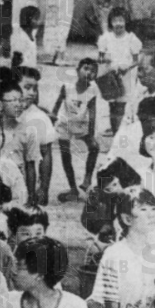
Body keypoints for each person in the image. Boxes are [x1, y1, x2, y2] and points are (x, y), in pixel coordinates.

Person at [52, 58, 100, 203]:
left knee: (95, 147)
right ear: (77, 70)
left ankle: (87, 180)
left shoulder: (92, 91)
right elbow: (57, 103)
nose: (89, 73)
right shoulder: (67, 87)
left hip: (81, 124)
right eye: (86, 68)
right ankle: (73, 187)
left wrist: (90, 134)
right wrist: (52, 118)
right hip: (65, 123)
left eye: (93, 71)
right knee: (65, 154)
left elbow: (92, 114)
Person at [0, 80, 40, 205]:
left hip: (17, 189)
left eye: (20, 100)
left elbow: (30, 166)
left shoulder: (29, 131)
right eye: (13, 100)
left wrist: (31, 196)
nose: (18, 104)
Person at [97, 6, 142, 135]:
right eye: (115, 21)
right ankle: (115, 131)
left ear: (126, 21)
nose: (118, 24)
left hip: (125, 76)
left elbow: (137, 60)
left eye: (121, 20)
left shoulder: (132, 39)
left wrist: (127, 66)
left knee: (121, 107)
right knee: (112, 105)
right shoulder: (106, 38)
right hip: (110, 77)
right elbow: (99, 59)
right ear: (110, 22)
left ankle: (119, 133)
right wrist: (105, 58)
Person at [17, 66, 56, 206]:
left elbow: (46, 154)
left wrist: (44, 188)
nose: (32, 93)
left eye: (35, 89)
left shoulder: (39, 117)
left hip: (27, 180)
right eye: (27, 88)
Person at [11, 5, 41, 69]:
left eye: (38, 19)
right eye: (36, 19)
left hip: (30, 69)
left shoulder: (32, 34)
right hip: (22, 72)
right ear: (28, 19)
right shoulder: (20, 37)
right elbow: (16, 60)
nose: (39, 22)